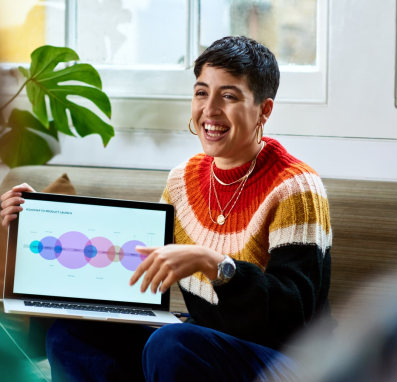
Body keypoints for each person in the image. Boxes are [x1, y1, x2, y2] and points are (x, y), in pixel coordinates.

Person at [0, 36, 332, 381]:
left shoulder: (296, 187)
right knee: (71, 335)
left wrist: (214, 264)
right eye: (201, 92)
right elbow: (133, 277)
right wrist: (36, 220)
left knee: (173, 343)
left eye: (229, 96)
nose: (210, 109)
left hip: (289, 359)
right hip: (202, 344)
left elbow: (294, 317)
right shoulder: (183, 181)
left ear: (264, 110)